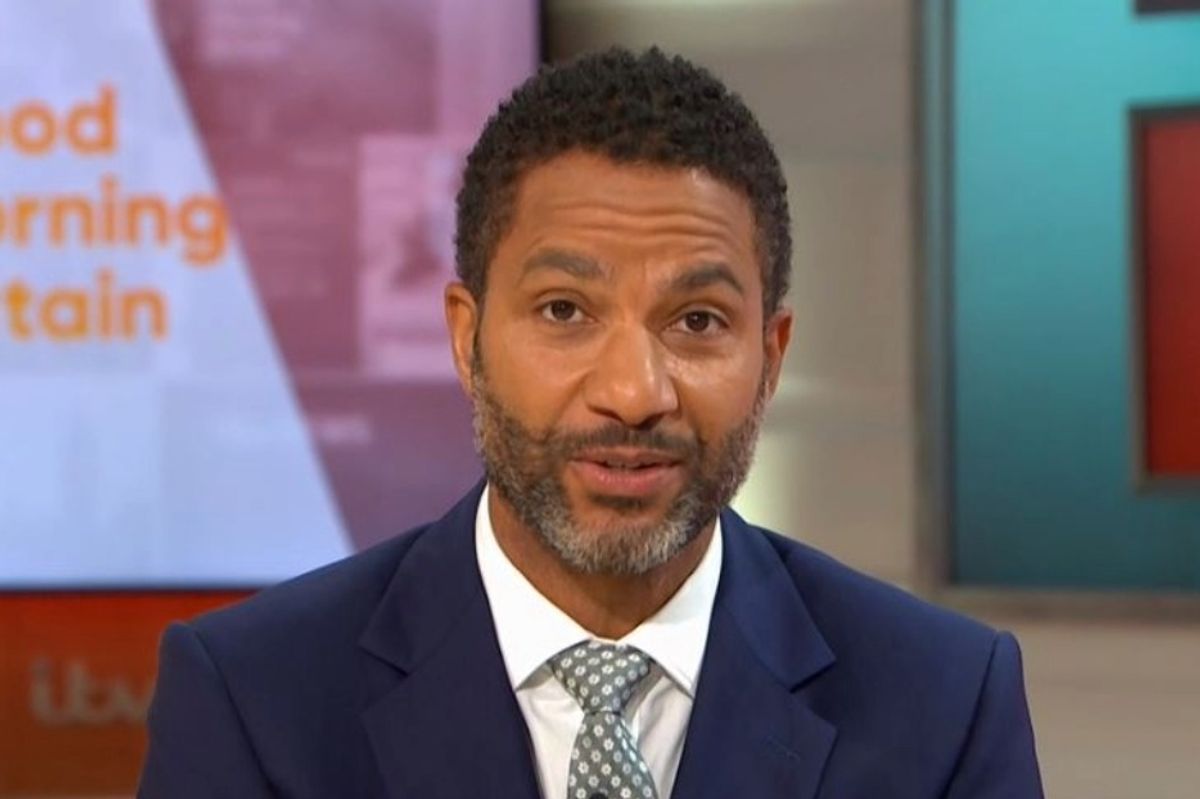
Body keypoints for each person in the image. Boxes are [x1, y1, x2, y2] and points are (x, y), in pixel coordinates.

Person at [139, 48, 1042, 798]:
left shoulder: (944, 703)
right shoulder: (256, 700)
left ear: (770, 357)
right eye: (565, 310)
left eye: (697, 320)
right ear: (466, 339)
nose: (634, 392)